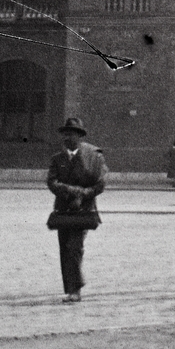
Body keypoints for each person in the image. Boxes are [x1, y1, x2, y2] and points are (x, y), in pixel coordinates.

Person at [47, 116, 106, 303]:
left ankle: (76, 290)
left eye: (71, 134)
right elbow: (51, 181)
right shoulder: (58, 159)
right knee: (65, 248)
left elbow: (100, 183)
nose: (66, 138)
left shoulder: (94, 157)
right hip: (64, 210)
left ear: (79, 136)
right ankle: (71, 288)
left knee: (75, 247)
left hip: (83, 211)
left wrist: (83, 195)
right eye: (64, 134)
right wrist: (70, 192)